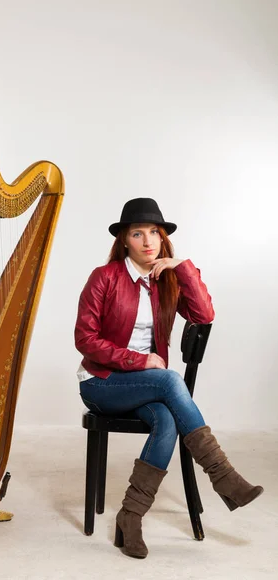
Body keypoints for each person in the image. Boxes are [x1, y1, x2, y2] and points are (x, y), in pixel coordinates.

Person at [74, 197, 263, 559]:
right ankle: (223, 477)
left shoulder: (167, 280)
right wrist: (139, 360)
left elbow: (204, 315)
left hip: (146, 385)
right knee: (170, 380)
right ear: (125, 241)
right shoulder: (104, 277)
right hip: (101, 383)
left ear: (163, 239)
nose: (147, 241)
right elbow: (85, 340)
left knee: (166, 421)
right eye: (137, 233)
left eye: (154, 233)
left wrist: (183, 268)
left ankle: (130, 517)